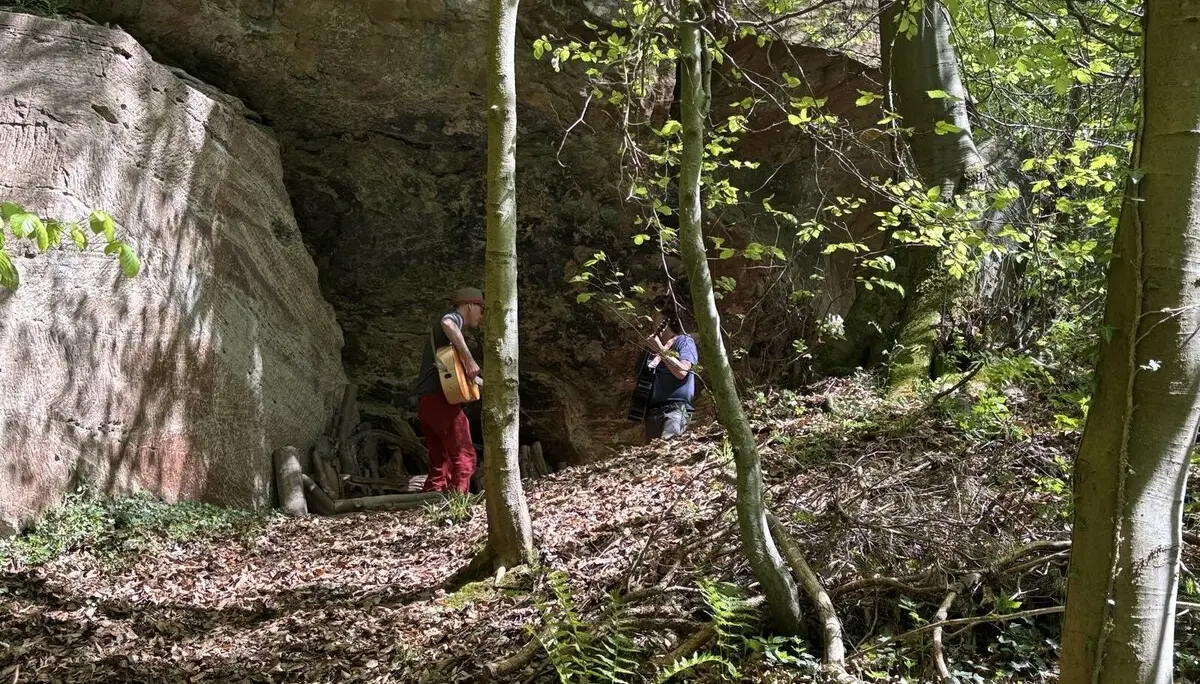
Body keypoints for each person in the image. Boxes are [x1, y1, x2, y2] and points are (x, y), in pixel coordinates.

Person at [413, 286, 485, 493]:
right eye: (481, 309)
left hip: (426, 401)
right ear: (470, 305)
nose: (481, 316)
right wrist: (469, 360)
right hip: (439, 400)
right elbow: (448, 323)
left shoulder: (445, 340)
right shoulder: (453, 318)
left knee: (440, 459)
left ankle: (431, 499)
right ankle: (459, 501)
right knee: (465, 453)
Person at [643, 303, 699, 442]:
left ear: (665, 320)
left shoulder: (684, 341)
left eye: (655, 315)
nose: (651, 319)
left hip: (676, 410)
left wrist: (660, 350)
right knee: (654, 456)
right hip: (652, 413)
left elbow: (682, 371)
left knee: (667, 444)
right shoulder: (648, 350)